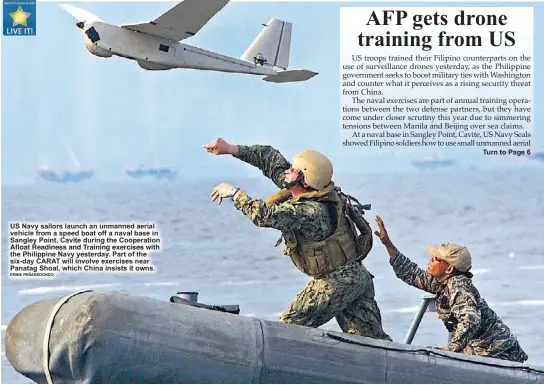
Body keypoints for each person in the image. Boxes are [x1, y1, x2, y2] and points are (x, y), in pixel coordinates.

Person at [202, 138, 391, 340]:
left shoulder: (312, 212)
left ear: (304, 180)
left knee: (289, 327)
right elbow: (269, 158)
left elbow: (265, 216)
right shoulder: (305, 189)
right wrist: (230, 149)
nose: (287, 171)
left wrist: (234, 193)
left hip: (339, 280)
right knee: (372, 341)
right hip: (356, 276)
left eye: (294, 170)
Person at [373, 215, 528, 362]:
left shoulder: (458, 287)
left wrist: (450, 349)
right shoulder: (443, 282)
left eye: (436, 259)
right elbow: (411, 273)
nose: (430, 260)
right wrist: (387, 243)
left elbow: (470, 320)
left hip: (498, 354)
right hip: (480, 350)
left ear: (448, 269)